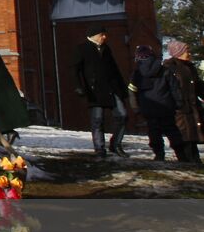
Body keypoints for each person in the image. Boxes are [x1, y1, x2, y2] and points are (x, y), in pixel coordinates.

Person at [70, 26, 129, 157]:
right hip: (95, 90)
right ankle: (99, 149)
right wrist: (78, 86)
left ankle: (116, 144)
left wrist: (122, 89)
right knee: (97, 120)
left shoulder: (106, 49)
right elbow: (75, 70)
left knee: (122, 115)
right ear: (94, 35)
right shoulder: (82, 48)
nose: (104, 37)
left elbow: (115, 69)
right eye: (102, 34)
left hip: (112, 89)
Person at [130, 44, 189, 161]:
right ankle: (181, 155)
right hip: (166, 107)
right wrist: (179, 103)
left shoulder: (136, 74)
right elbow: (174, 88)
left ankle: (159, 154)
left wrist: (136, 107)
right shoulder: (165, 71)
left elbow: (132, 91)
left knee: (153, 131)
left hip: (148, 108)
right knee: (172, 131)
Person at [162, 40, 202, 163]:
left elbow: (199, 86)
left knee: (192, 136)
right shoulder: (170, 68)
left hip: (192, 107)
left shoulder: (190, 67)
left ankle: (194, 161)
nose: (189, 53)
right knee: (183, 136)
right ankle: (186, 161)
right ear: (178, 52)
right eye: (186, 51)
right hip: (179, 109)